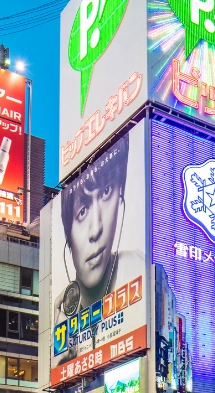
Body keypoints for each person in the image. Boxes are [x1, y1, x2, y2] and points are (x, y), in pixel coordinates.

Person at [54, 133, 142, 363]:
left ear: (120, 200)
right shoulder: (58, 312)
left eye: (106, 193)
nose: (96, 229)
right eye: (82, 211)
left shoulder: (140, 270)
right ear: (67, 234)